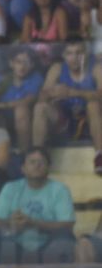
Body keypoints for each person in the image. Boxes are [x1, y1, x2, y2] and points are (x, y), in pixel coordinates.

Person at [0, 146, 76, 263]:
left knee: (65, 238)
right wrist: (11, 223)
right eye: (32, 162)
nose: (37, 165)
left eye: (41, 162)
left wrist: (33, 223)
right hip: (15, 244)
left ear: (48, 168)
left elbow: (67, 225)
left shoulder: (60, 190)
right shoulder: (10, 188)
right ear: (23, 168)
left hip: (50, 244)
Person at [31, 38, 102, 173]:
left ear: (86, 54)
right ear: (63, 55)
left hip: (92, 121)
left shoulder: (97, 67)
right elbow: (41, 97)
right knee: (40, 107)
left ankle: (100, 155)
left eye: (79, 53)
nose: (74, 58)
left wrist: (73, 92)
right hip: (65, 121)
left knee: (93, 105)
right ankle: (37, 156)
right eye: (69, 53)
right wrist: (53, 92)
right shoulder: (57, 68)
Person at [0, 47, 43, 152]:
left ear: (32, 65)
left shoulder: (36, 78)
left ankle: (23, 153)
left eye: (26, 62)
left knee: (21, 110)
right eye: (18, 62)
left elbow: (27, 101)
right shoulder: (2, 78)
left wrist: (1, 105)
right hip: (3, 119)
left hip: (26, 120)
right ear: (11, 64)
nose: (22, 67)